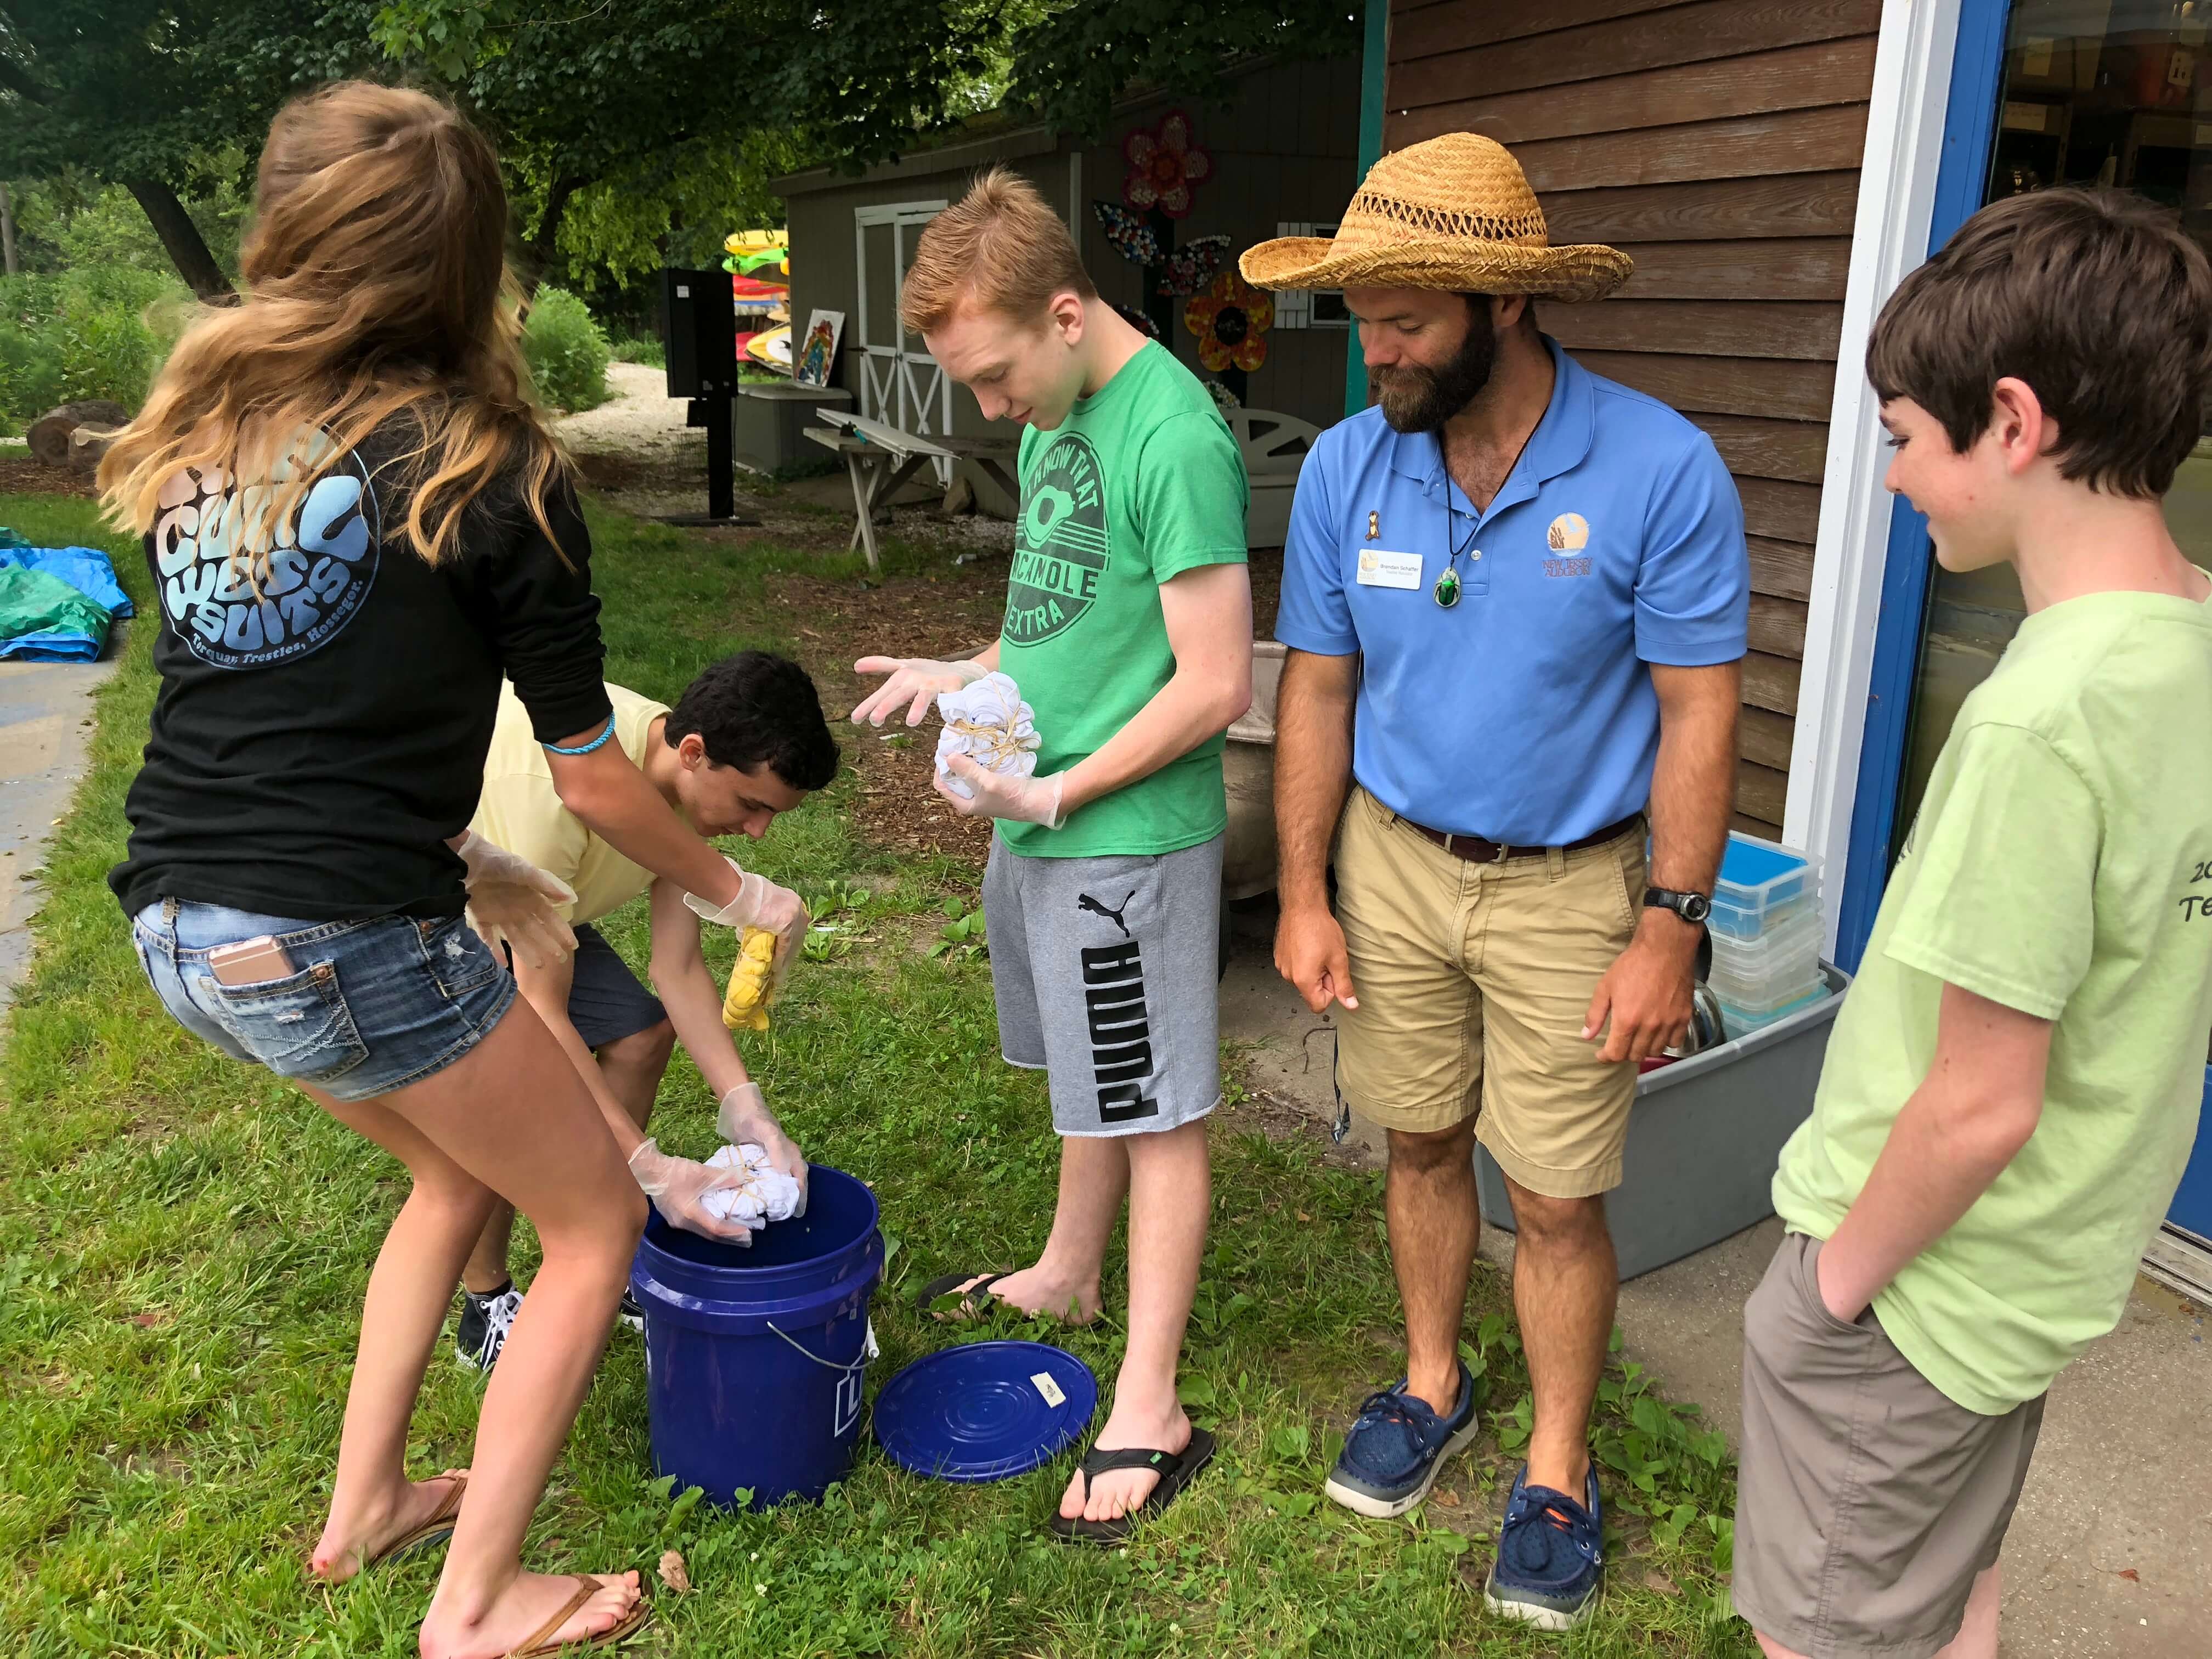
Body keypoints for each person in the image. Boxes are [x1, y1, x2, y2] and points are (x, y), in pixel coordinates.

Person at [100, 83, 806, 1659]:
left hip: (178, 929)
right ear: (474, 264)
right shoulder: (497, 469)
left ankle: (366, 1511)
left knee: (449, 1171)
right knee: (594, 1230)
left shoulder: (210, 445)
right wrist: (743, 892)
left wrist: (470, 855)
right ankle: (477, 1605)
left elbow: (294, 716)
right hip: (339, 939)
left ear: (285, 235)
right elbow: (596, 773)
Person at [1242, 132, 1748, 1629]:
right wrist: (1308, 892)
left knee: (1561, 1199)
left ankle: (1557, 1465)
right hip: (1393, 865)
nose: (1374, 350)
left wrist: (1674, 922)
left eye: (1405, 319)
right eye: (1362, 315)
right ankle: (1430, 1379)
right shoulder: (1349, 466)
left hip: (1575, 890)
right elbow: (1317, 693)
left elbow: (1699, 710)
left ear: (1505, 307)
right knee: (1417, 1143)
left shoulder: (1659, 467)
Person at [1732, 188, 2212, 1659]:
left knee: (1829, 1634)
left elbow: (1981, 1103)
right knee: (1952, 1596)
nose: (1891, 476)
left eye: (1899, 436)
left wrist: (1827, 1292)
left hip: (1917, 1298)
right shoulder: (2191, 639)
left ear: (2011, 421)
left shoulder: (2039, 721)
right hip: (2036, 1284)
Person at [851, 167, 1252, 1543]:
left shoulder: (1173, 436)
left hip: (1120, 833)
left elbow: (1214, 684)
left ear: (1068, 315)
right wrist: (958, 669)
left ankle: (1149, 1398)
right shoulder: (1053, 423)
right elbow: (1054, 626)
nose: (990, 408)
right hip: (1046, 818)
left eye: (997, 373)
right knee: (1088, 1073)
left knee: (1158, 1109)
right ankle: (1073, 1272)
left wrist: (1062, 792)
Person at [453, 652, 838, 1370]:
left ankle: (594, 1243)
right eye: (753, 807)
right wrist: (649, 1164)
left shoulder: (675, 778)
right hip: (454, 901)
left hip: (549, 913)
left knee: (639, 1034)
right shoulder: (549, 798)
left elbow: (678, 967)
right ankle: (489, 1305)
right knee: (496, 1102)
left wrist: (744, 1106)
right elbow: (543, 1018)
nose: (757, 834)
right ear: (693, 753)